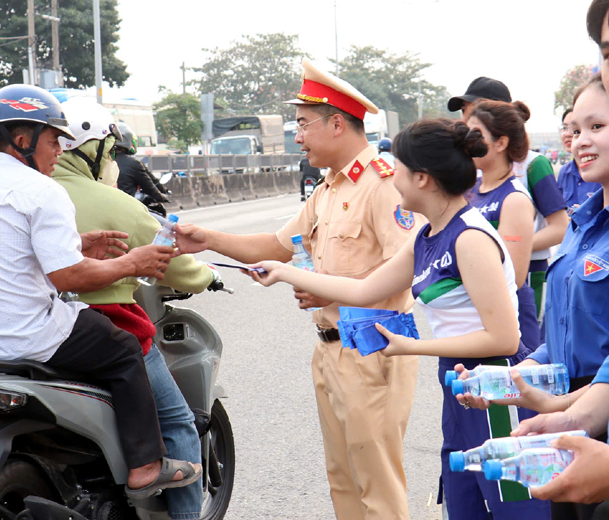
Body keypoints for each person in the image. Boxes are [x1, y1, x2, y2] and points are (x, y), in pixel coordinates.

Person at [246, 118, 550, 520]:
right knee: (463, 507)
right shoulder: (426, 238)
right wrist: (283, 271)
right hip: (458, 385)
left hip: (495, 390)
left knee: (514, 511)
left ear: (422, 178)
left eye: (399, 169)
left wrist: (413, 347)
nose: (392, 179)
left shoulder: (470, 238)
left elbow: (504, 339)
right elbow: (362, 290)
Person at [175, 58, 421, 520]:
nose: (299, 136)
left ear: (336, 123)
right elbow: (277, 245)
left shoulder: (383, 184)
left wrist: (329, 292)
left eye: (304, 124)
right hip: (331, 351)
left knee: (378, 488)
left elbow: (405, 268)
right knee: (343, 482)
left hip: (373, 349)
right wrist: (208, 239)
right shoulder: (328, 187)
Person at [0, 84, 201, 499]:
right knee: (122, 347)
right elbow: (70, 279)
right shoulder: (43, 191)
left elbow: (6, 248)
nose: (59, 150)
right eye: (52, 139)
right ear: (22, 140)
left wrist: (77, 244)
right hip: (27, 338)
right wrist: (132, 263)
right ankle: (145, 467)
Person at [52, 96, 216, 519]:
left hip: (24, 331)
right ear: (95, 150)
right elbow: (176, 265)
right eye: (110, 150)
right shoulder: (119, 205)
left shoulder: (31, 192)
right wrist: (209, 277)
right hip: (101, 326)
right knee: (178, 423)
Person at [460, 73, 609, 520]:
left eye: (597, 127)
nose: (580, 140)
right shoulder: (582, 225)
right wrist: (514, 377)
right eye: (575, 129)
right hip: (570, 410)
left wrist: (573, 412)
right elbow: (561, 333)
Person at [449, 78, 569, 329]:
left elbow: (560, 227)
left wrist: (515, 245)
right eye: (464, 113)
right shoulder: (475, 170)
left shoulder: (533, 165)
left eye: (472, 109)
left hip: (527, 274)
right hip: (482, 278)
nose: (465, 120)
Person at [464, 99, 540, 351]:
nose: (467, 141)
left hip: (508, 327)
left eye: (476, 134)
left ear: (501, 142)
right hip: (477, 321)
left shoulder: (514, 199)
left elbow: (515, 278)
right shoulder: (470, 192)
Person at [557, 108, 601, 214]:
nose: (567, 134)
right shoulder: (564, 173)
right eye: (564, 128)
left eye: (574, 129)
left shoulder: (602, 170)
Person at [115, 122, 169, 203]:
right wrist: (161, 197)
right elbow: (149, 186)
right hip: (126, 207)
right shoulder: (133, 163)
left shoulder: (103, 160)